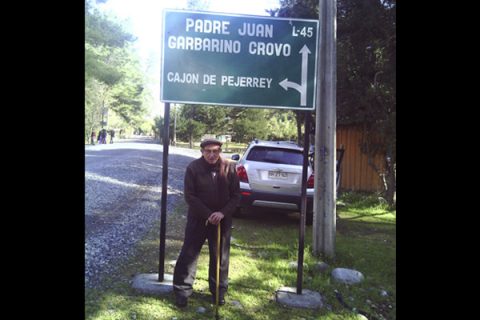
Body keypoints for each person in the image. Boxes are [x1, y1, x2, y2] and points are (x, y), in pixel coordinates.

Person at [173, 138, 240, 308]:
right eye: (208, 151)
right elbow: (190, 196)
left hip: (222, 221)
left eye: (215, 151)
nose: (212, 155)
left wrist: (222, 213)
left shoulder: (229, 168)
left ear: (220, 151)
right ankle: (182, 291)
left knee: (220, 257)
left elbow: (236, 196)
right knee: (189, 253)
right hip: (198, 218)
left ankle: (219, 292)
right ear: (202, 151)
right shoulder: (193, 168)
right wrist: (208, 214)